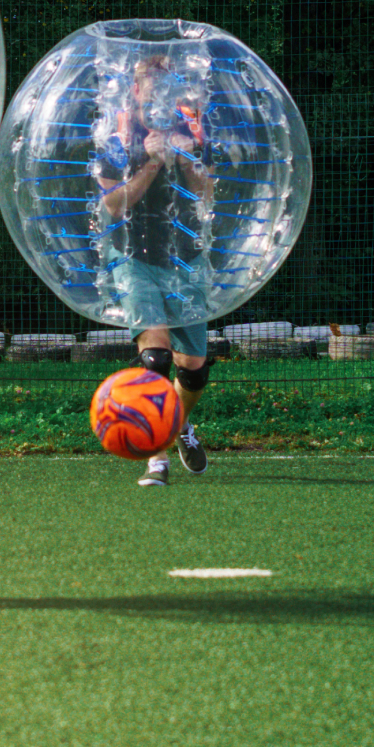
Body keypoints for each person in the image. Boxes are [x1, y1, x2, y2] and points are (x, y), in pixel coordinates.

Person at [95, 55, 217, 486]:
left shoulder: (194, 133)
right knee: (156, 356)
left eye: (165, 83)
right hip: (134, 257)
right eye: (150, 83)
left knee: (194, 369)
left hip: (185, 257)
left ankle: (176, 423)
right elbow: (113, 205)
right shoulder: (117, 139)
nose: (158, 90)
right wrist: (150, 162)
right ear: (135, 90)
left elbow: (208, 193)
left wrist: (182, 159)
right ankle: (156, 457)